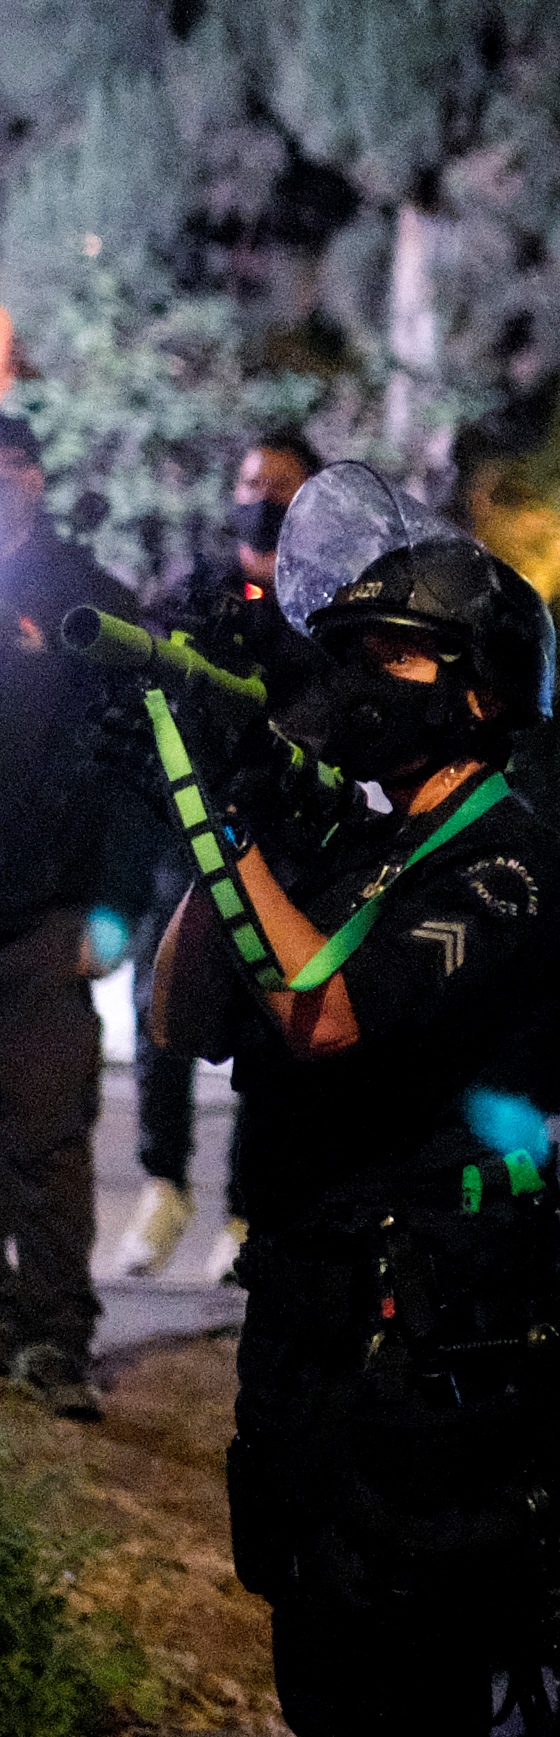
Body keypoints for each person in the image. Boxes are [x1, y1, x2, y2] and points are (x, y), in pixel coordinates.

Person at [143, 461, 560, 1737]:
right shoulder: (351, 849)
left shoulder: (514, 868)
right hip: (314, 1371)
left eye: (395, 660)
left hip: (433, 1396)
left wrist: (231, 810)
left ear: (474, 695)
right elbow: (180, 1008)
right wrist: (245, 807)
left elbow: (327, 1011)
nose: (363, 684)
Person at [120, 431, 322, 1281]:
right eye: (249, 480)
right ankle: (164, 1180)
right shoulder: (199, 592)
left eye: (280, 486)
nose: (259, 498)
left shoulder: (322, 607)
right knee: (154, 1008)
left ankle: (245, 1209)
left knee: (270, 1029)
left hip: (280, 852)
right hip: (190, 845)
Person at [0, 412, 142, 1417]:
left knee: (47, 1134)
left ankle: (55, 1335)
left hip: (49, 916)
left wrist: (116, 908)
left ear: (30, 477)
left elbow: (136, 765)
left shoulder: (86, 601)